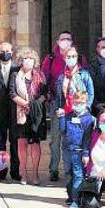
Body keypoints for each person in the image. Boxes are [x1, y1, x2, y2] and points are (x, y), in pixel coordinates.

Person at [41, 31, 87, 182]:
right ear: (58, 41)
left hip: (76, 105)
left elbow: (85, 79)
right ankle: (53, 168)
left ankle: (71, 168)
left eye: (68, 39)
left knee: (73, 137)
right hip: (57, 103)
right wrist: (47, 95)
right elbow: (44, 78)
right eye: (63, 39)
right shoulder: (51, 58)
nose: (65, 41)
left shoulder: (79, 58)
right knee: (56, 137)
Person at [54, 46, 95, 187]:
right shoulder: (61, 76)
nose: (71, 59)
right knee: (66, 144)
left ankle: (82, 182)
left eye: (73, 56)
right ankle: (70, 183)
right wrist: (60, 111)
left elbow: (90, 93)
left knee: (83, 144)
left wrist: (86, 108)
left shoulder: (84, 74)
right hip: (67, 116)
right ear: (64, 58)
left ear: (77, 58)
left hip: (81, 113)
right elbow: (59, 96)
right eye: (68, 56)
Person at [9, 48, 47, 186]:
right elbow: (12, 93)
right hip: (21, 113)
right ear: (20, 61)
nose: (28, 61)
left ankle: (35, 173)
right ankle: (23, 172)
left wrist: (35, 104)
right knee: (22, 143)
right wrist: (25, 104)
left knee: (36, 143)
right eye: (26, 58)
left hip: (36, 114)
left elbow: (45, 93)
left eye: (31, 58)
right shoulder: (15, 75)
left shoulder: (40, 75)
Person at [0, 42, 20, 181]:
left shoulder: (18, 69)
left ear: (12, 52)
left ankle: (15, 171)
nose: (5, 53)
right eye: (2, 51)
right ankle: (1, 170)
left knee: (15, 143)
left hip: (15, 113)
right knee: (0, 144)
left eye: (7, 51)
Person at [60, 91, 95, 208]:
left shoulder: (89, 119)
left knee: (78, 175)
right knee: (68, 174)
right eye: (76, 102)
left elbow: (87, 138)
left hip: (79, 151)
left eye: (81, 102)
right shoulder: (69, 116)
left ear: (86, 103)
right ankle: (70, 196)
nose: (78, 104)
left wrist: (85, 153)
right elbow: (63, 130)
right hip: (67, 150)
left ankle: (76, 199)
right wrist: (61, 117)